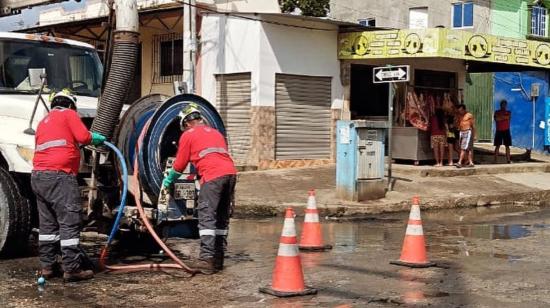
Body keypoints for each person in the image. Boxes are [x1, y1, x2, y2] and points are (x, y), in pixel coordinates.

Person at [31, 89, 106, 282]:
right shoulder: (69, 114)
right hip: (60, 176)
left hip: (39, 177)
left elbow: (57, 144)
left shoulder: (44, 121)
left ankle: (47, 267)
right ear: (71, 104)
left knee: (47, 225)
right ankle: (72, 269)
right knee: (69, 222)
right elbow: (83, 137)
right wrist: (94, 138)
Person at [162, 103, 237, 274]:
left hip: (213, 177)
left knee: (207, 217)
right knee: (222, 218)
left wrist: (169, 179)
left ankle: (206, 260)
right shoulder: (216, 132)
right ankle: (218, 259)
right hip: (231, 174)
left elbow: (180, 163)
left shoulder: (188, 134)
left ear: (187, 123)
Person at [493, 99, 512, 164]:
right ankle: (495, 160)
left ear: (506, 105)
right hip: (499, 130)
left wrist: (501, 117)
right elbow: (496, 119)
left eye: (505, 104)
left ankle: (508, 160)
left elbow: (508, 117)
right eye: (502, 104)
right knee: (497, 145)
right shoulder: (497, 112)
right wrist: (503, 117)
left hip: (506, 130)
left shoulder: (508, 112)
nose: (504, 105)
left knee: (507, 146)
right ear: (500, 105)